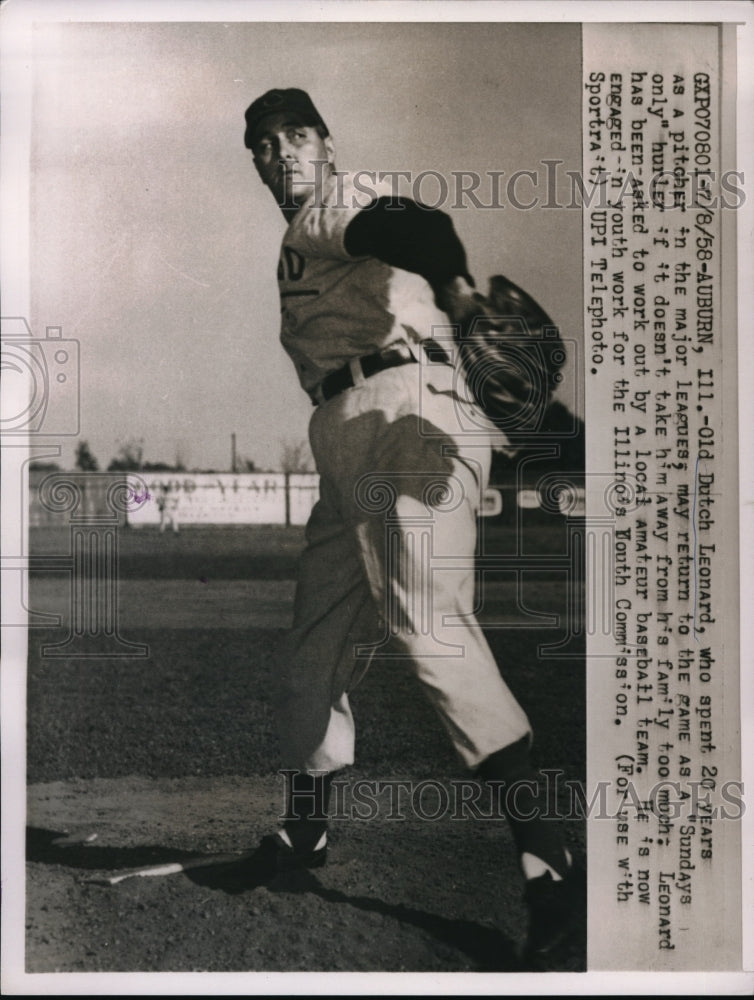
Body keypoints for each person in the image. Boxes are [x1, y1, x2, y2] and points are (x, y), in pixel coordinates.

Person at [236, 87, 580, 963]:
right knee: (315, 643)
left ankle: (550, 865)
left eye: (296, 135)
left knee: (429, 624)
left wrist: (459, 294)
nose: (281, 152)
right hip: (352, 439)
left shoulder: (334, 203)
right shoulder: (301, 235)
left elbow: (415, 225)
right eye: (264, 144)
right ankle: (304, 832)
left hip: (403, 414)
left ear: (326, 144)